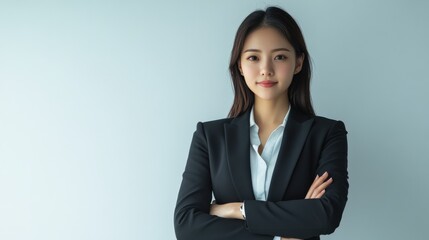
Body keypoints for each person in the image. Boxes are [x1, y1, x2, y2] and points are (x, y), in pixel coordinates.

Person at [174, 6, 348, 240]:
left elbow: (326, 215)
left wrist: (238, 209)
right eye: (254, 57)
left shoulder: (327, 134)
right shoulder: (209, 136)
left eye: (280, 57)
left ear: (298, 63)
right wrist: (283, 233)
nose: (266, 70)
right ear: (240, 65)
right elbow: (186, 225)